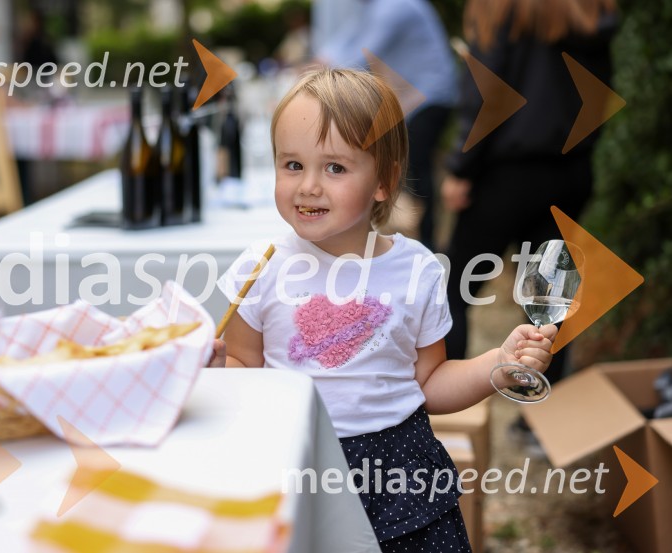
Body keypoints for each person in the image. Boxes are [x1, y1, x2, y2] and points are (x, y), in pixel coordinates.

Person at [209, 68, 556, 551]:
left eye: (335, 168)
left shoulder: (416, 270)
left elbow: (429, 384)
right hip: (295, 459)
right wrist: (212, 369)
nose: (308, 185)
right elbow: (245, 366)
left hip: (399, 471)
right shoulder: (260, 268)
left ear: (383, 181)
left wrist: (498, 365)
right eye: (292, 165)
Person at [441, 0, 617, 386]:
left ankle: (439, 409)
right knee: (549, 300)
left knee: (453, 289)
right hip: (571, 171)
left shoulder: (501, 6)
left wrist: (460, 167)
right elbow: (601, 95)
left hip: (508, 173)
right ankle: (534, 413)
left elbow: (488, 93)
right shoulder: (590, 11)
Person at [315, 0, 458, 251]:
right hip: (417, 98)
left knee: (415, 168)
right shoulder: (373, 9)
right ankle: (415, 240)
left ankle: (426, 244)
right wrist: (322, 59)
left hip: (431, 95)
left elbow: (362, 53)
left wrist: (318, 75)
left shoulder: (396, 6)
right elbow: (348, 38)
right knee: (411, 167)